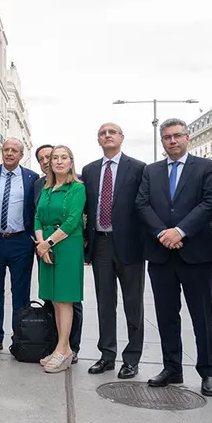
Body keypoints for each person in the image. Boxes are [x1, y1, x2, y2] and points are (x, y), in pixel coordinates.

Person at [136, 118, 212, 397]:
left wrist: (181, 231)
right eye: (167, 137)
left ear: (187, 139)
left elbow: (210, 203)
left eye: (177, 136)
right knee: (166, 315)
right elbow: (142, 204)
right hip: (161, 254)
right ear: (162, 142)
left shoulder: (205, 167)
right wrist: (163, 233)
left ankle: (208, 372)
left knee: (202, 316)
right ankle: (172, 367)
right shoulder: (152, 170)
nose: (172, 141)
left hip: (196, 254)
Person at [81, 123, 146, 379]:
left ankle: (132, 358)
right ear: (98, 140)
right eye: (102, 133)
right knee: (105, 303)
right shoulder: (89, 170)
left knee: (133, 304)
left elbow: (144, 205)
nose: (107, 135)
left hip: (130, 245)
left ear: (121, 138)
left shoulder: (139, 168)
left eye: (112, 132)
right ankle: (107, 354)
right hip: (101, 245)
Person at [34, 145, 86, 373]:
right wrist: (41, 245)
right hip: (46, 248)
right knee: (54, 300)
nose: (58, 161)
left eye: (64, 157)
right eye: (55, 158)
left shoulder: (77, 188)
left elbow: (72, 221)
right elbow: (37, 217)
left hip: (66, 246)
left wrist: (48, 243)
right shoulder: (46, 188)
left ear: (71, 162)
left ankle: (64, 349)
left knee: (65, 300)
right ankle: (60, 347)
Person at [0, 138, 39, 353]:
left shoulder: (31, 178)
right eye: (6, 149)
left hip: (21, 241)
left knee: (20, 293)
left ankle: (19, 337)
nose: (9, 153)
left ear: (21, 154)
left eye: (14, 150)